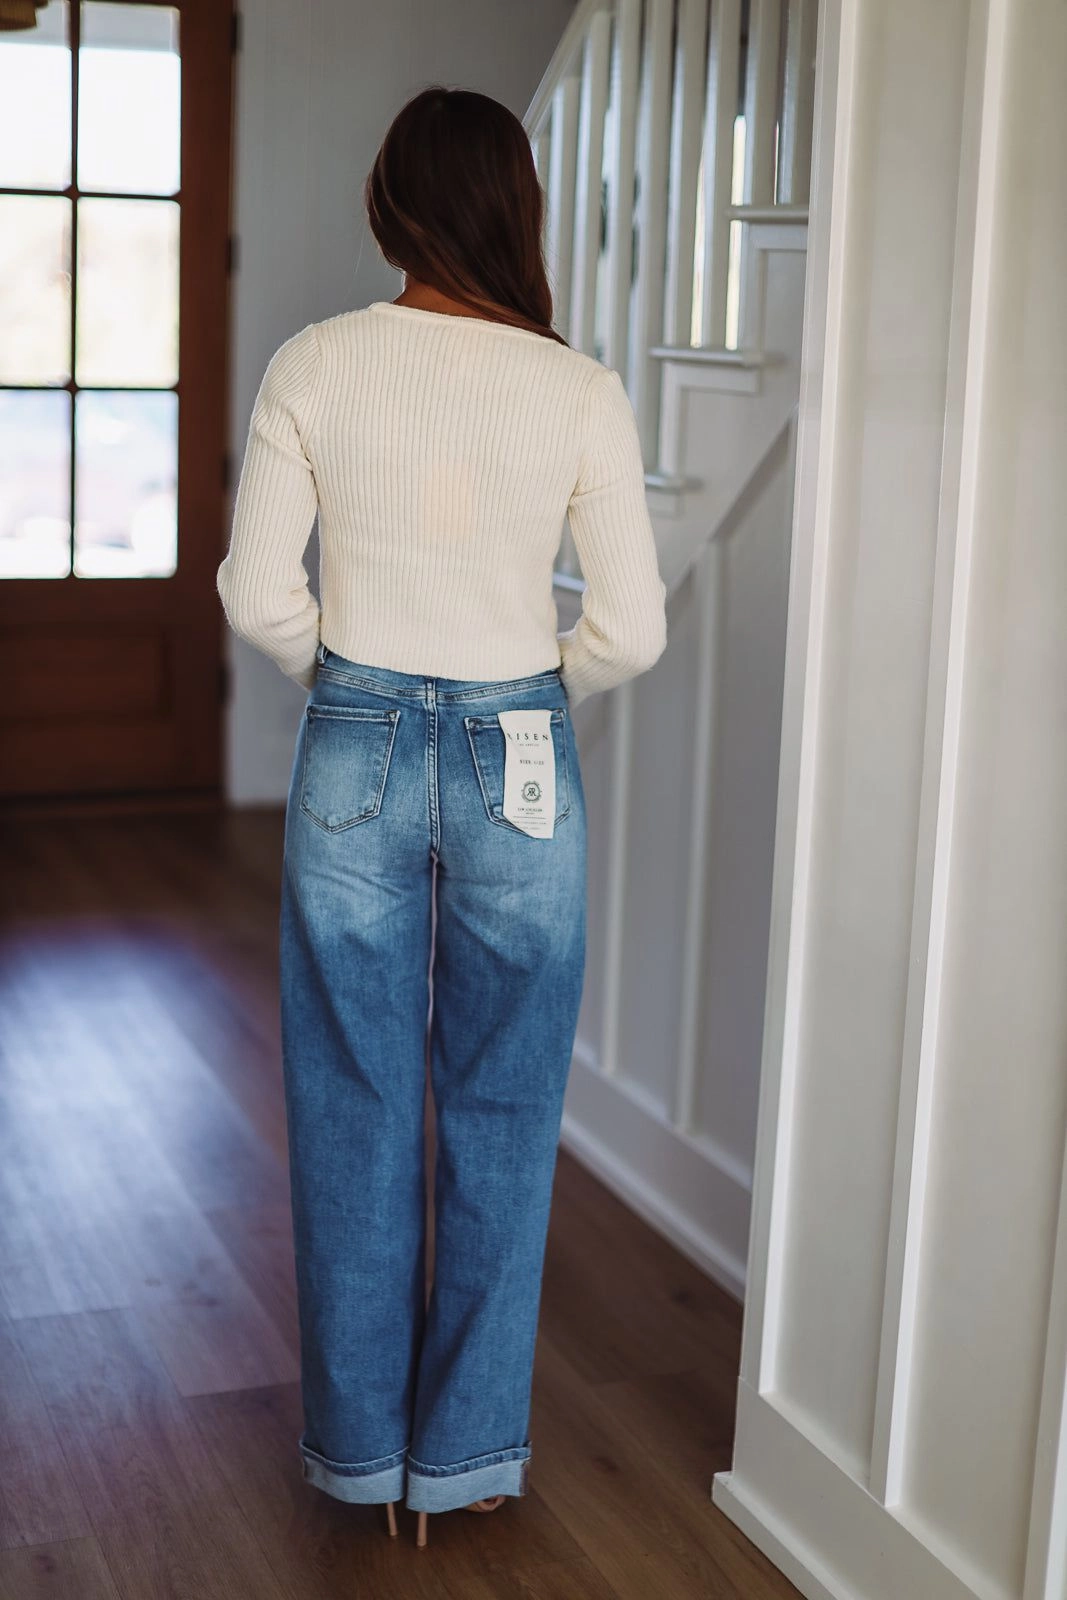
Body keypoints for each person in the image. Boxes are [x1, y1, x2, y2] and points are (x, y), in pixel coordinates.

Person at [216, 83, 667, 1549]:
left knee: (350, 1103)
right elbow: (635, 631)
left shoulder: (315, 362)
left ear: (387, 207)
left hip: (353, 727)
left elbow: (253, 595)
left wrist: (347, 686)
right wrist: (532, 697)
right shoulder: (577, 387)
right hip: (519, 740)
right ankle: (461, 1461)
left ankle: (357, 1462)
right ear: (516, 209)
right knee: (503, 1104)